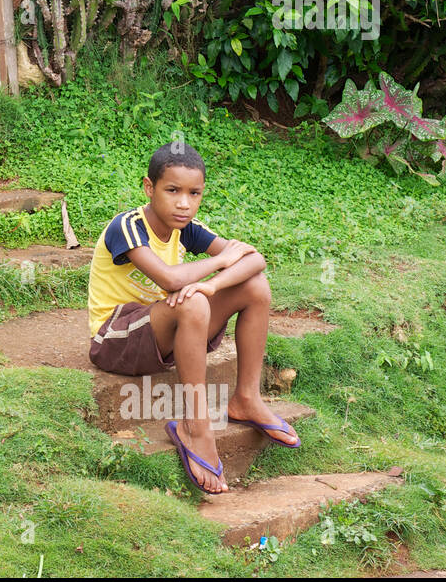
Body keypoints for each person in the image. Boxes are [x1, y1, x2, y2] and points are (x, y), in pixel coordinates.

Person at [87, 141, 300, 495]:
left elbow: (255, 260)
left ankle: (246, 399)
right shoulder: (126, 226)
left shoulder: (186, 226)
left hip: (162, 332)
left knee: (255, 287)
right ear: (149, 187)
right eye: (172, 191)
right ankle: (196, 426)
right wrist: (218, 262)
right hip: (116, 338)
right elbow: (170, 279)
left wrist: (213, 286)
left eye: (194, 193)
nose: (184, 203)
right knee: (192, 300)